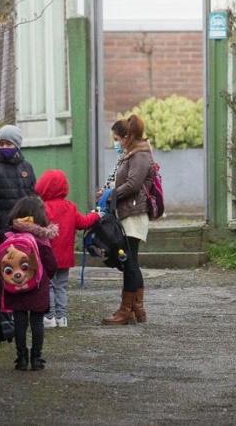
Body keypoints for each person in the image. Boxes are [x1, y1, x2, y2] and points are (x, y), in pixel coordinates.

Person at [0, 124, 36, 344]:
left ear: (17, 145)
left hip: (24, 231)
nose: (5, 147)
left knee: (25, 271)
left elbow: (32, 195)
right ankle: (4, 318)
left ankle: (21, 314)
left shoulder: (27, 167)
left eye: (9, 143)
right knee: (5, 275)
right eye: (2, 143)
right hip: (3, 232)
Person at [101, 115, 153, 326]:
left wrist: (111, 195)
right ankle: (136, 309)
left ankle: (127, 311)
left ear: (127, 136)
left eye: (116, 138)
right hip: (128, 214)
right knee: (131, 262)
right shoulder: (131, 155)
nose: (115, 142)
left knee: (130, 263)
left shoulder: (139, 156)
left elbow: (133, 185)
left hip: (134, 215)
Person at [34, 169, 100, 328]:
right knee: (61, 286)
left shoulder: (42, 208)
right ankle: (62, 318)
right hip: (65, 256)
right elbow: (83, 223)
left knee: (47, 286)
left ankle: (48, 317)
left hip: (47, 257)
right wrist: (96, 215)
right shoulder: (70, 206)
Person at [1, 196, 58, 370]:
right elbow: (51, 265)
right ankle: (36, 358)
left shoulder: (9, 237)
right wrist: (44, 277)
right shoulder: (41, 239)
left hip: (15, 286)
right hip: (37, 288)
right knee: (37, 322)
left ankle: (21, 358)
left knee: (19, 323)